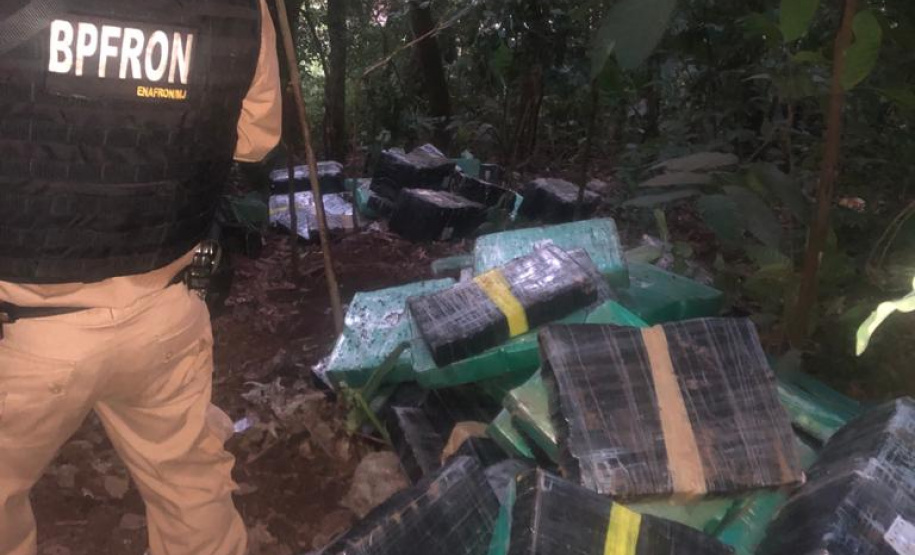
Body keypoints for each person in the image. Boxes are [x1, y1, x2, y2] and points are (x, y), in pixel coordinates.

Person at [0, 0, 282, 553]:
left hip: (25, 331)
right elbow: (255, 142)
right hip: (166, 313)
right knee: (192, 492)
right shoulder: (244, 10)